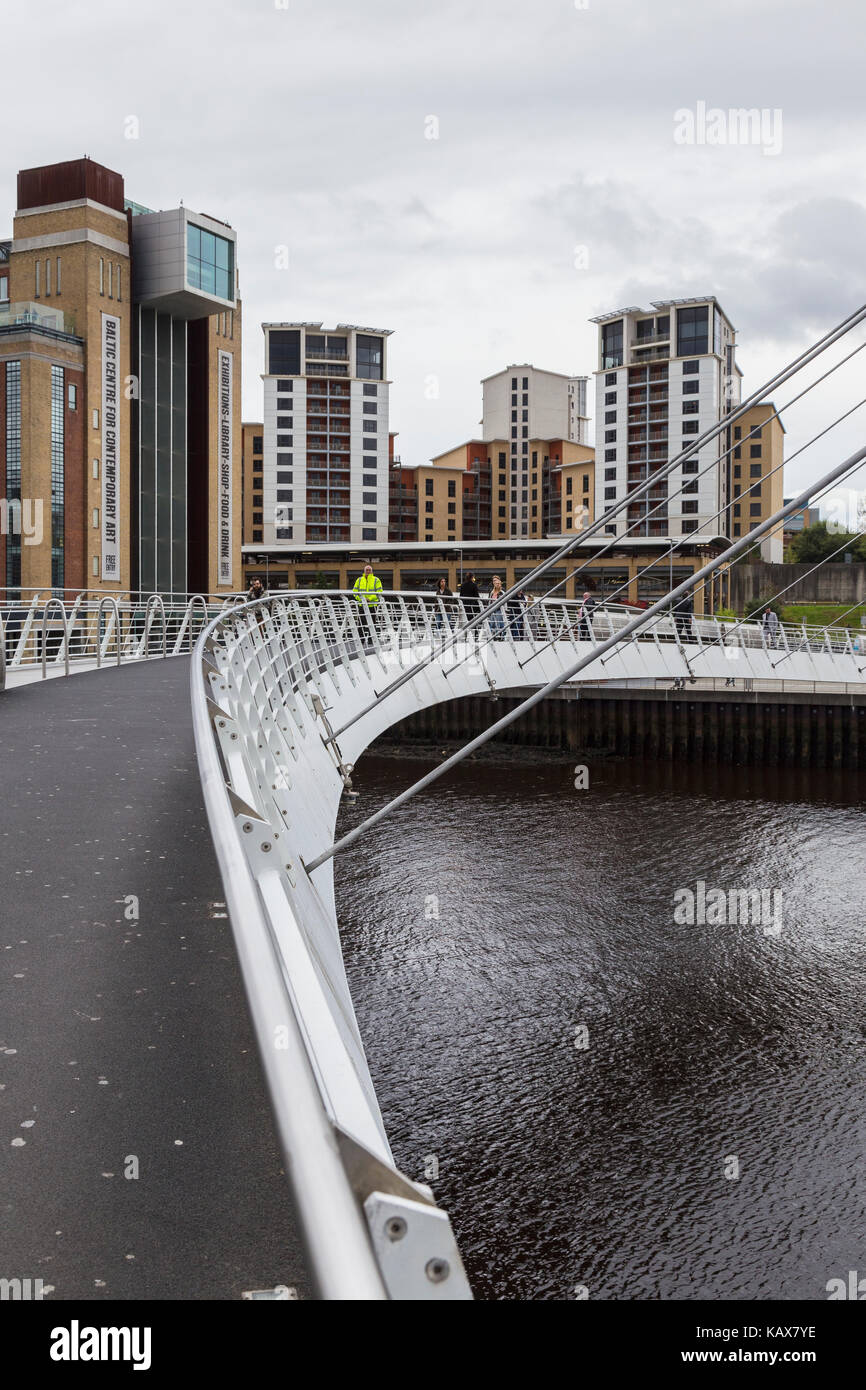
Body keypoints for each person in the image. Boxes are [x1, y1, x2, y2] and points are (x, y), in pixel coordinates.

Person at [487, 575, 506, 640]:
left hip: (499, 610)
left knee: (499, 623)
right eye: (496, 583)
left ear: (500, 584)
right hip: (492, 610)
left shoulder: (502, 592)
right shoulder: (492, 592)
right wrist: (488, 609)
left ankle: (500, 636)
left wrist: (505, 609)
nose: (497, 585)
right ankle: (492, 636)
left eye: (498, 583)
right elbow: (490, 601)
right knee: (492, 623)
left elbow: (505, 601)